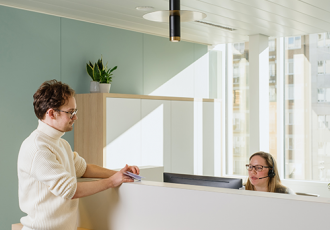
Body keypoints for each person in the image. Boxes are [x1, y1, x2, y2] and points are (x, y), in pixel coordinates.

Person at [17, 80, 140, 230]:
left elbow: (84, 169)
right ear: (51, 113)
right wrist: (111, 182)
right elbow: (69, 190)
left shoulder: (61, 144)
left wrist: (119, 173)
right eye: (70, 112)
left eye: (75, 112)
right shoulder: (37, 148)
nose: (75, 117)